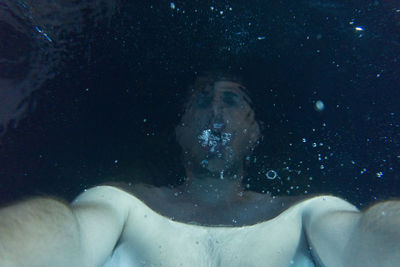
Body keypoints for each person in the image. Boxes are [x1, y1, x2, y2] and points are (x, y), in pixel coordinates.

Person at [0, 73, 399, 267]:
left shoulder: (308, 213)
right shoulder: (122, 205)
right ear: (180, 130)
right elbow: (66, 231)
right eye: (202, 101)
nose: (216, 110)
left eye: (231, 100)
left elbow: (365, 234)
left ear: (254, 131)